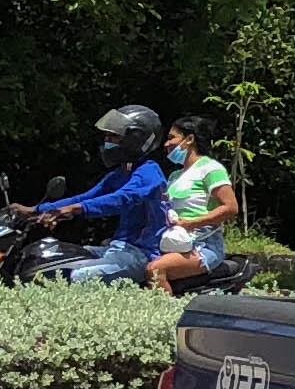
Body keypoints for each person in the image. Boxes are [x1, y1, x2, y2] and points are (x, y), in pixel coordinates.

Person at [17, 105, 172, 284]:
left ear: (135, 139)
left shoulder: (149, 172)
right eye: (106, 136)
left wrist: (76, 210)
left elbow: (122, 198)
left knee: (76, 277)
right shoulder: (121, 173)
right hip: (116, 248)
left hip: (140, 254)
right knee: (52, 261)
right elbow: (86, 197)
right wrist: (35, 210)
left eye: (113, 136)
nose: (107, 141)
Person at [146, 113, 240, 288]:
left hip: (203, 244)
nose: (166, 144)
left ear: (189, 139)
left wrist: (191, 223)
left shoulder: (210, 169)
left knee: (156, 269)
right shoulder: (175, 176)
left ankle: (166, 313)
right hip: (174, 241)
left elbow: (231, 208)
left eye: (171, 138)